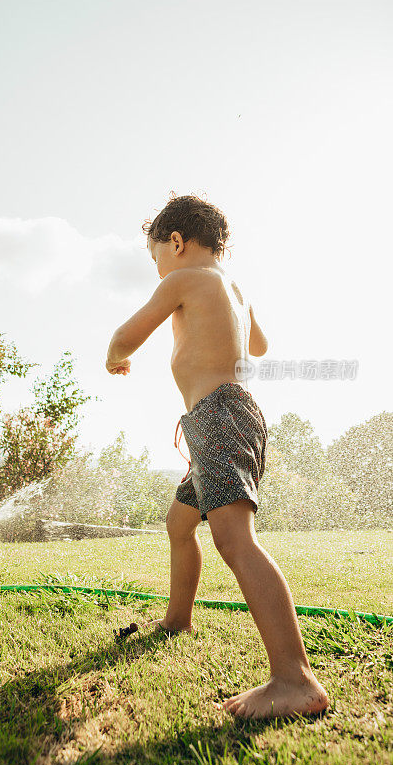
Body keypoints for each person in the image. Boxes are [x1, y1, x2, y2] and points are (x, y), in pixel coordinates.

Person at [105, 192, 329, 720]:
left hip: (217, 417)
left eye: (157, 255)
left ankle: (294, 680)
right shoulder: (233, 288)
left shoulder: (182, 280)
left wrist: (115, 356)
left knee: (235, 540)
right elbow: (260, 346)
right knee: (179, 525)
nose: (159, 269)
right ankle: (178, 620)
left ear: (176, 243)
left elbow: (126, 335)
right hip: (235, 414)